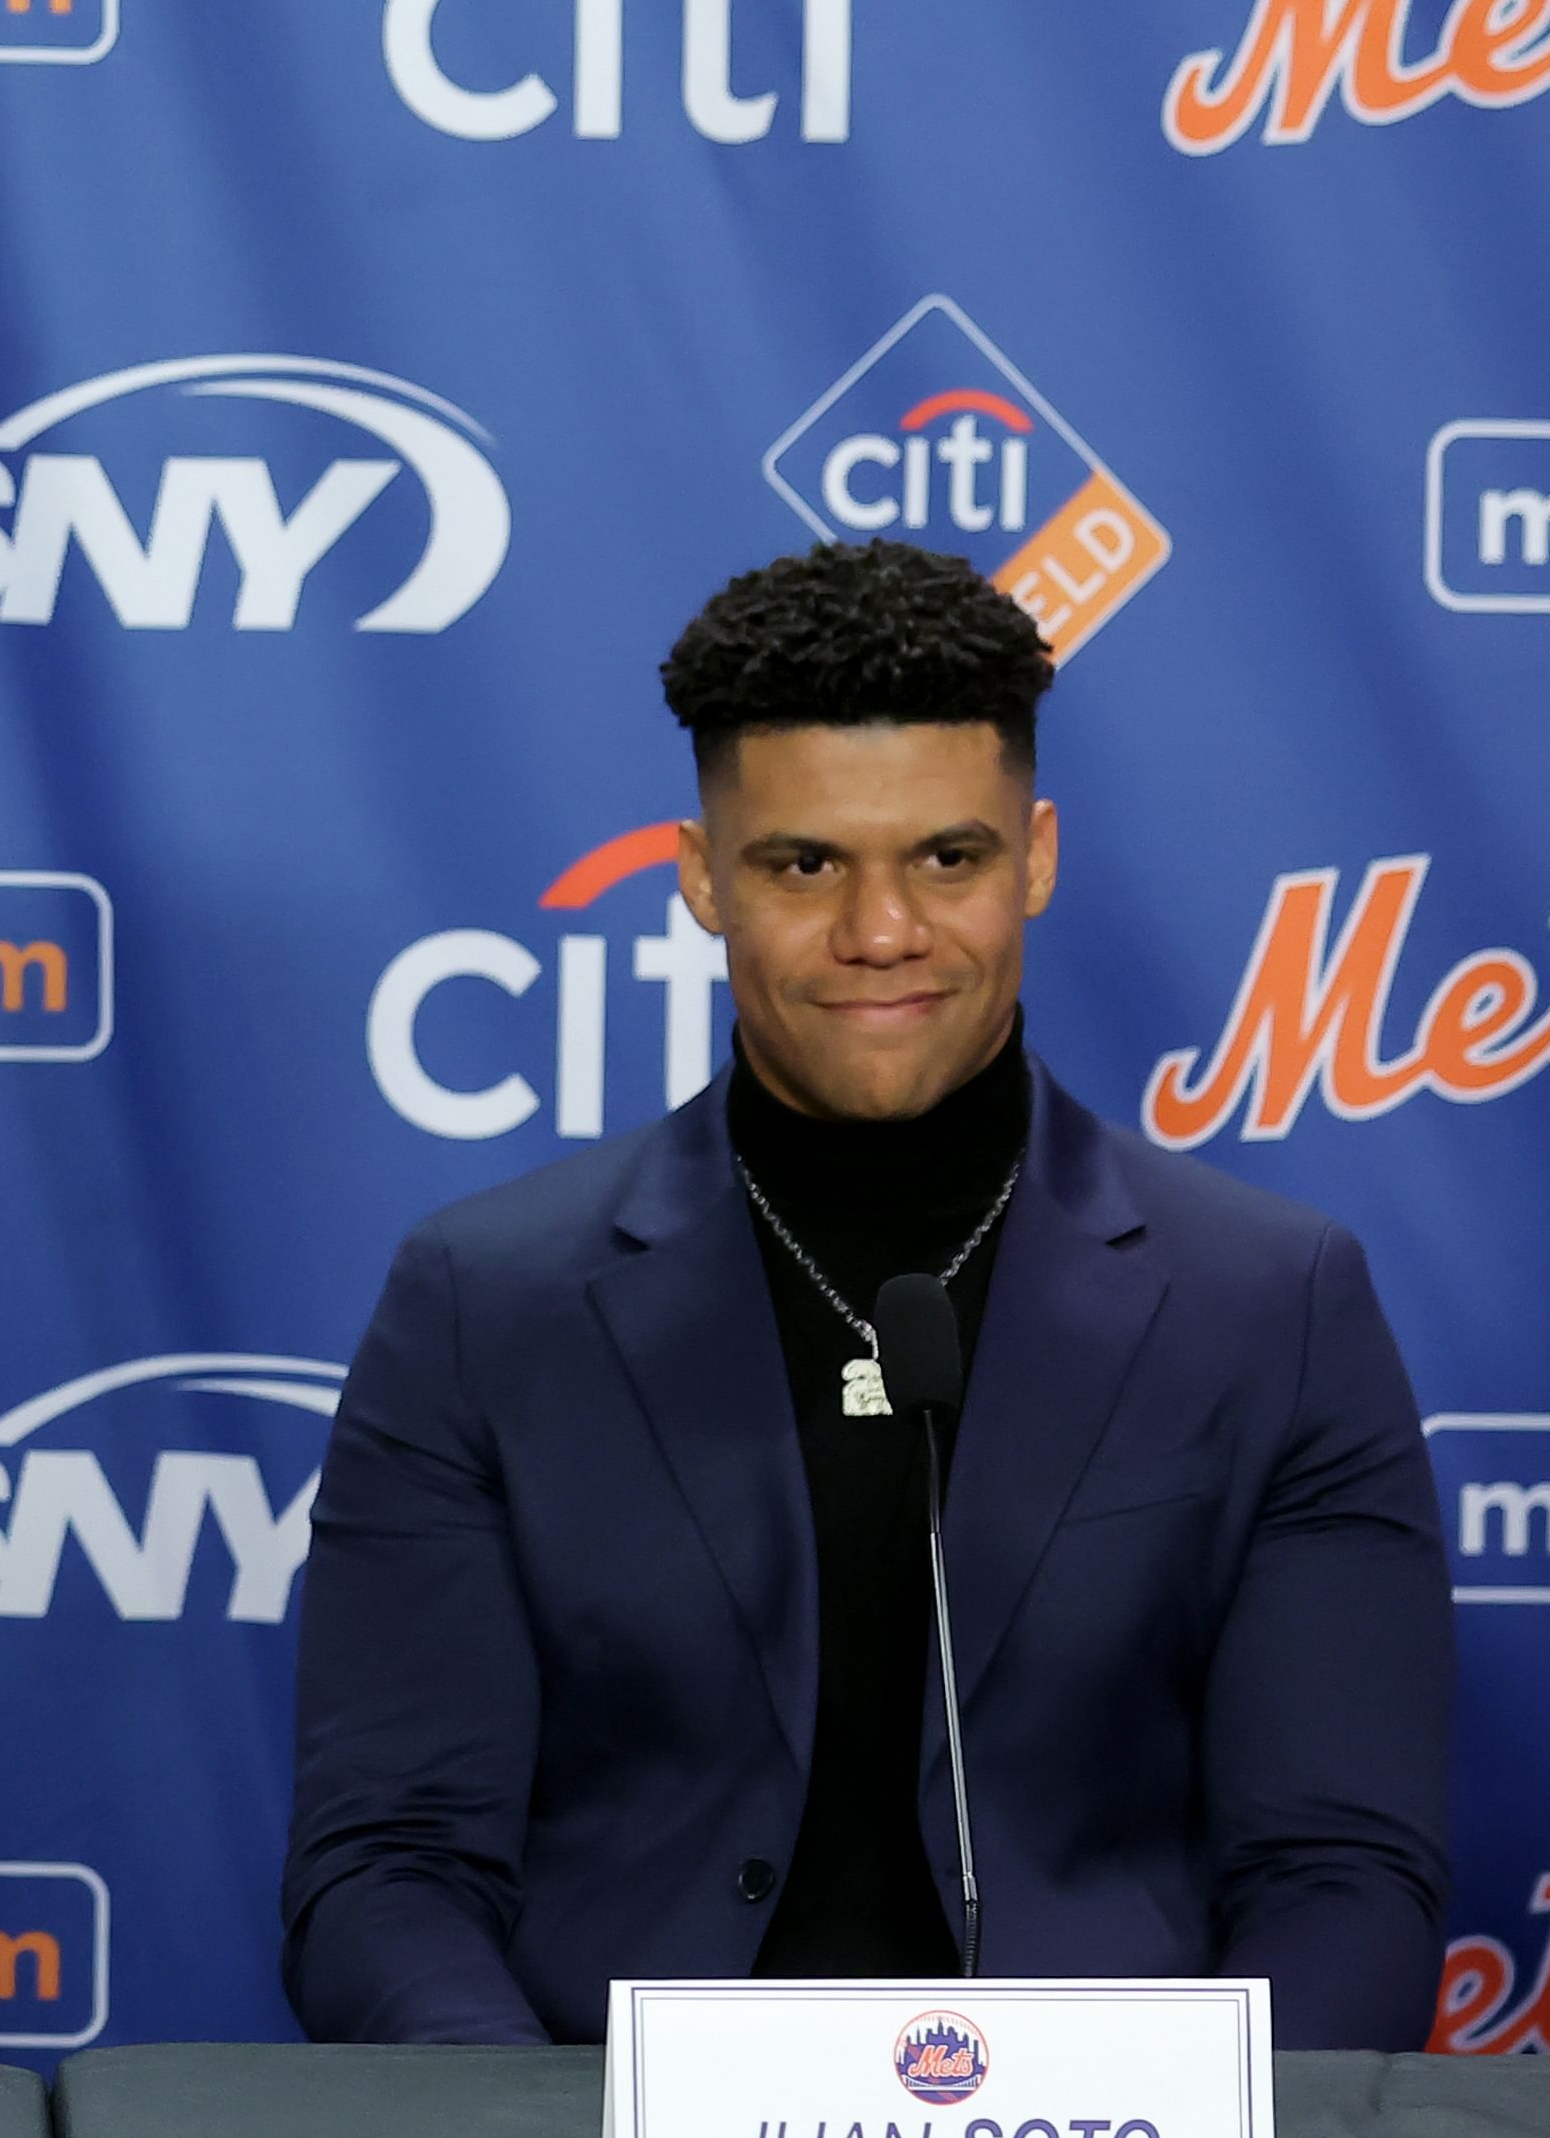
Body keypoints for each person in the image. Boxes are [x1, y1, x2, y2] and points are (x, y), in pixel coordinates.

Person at [283, 544, 1448, 2047]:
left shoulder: (1271, 1300)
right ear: (701, 878)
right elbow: (388, 1867)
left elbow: (1341, 1874)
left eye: (945, 859)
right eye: (803, 864)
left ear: (1032, 857)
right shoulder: (481, 1301)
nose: (879, 931)